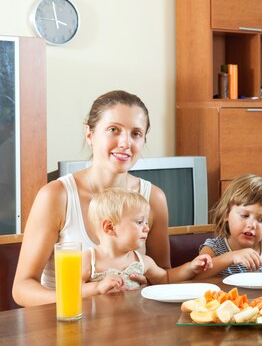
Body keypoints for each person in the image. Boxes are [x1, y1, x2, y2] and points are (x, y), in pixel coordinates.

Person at [13, 90, 170, 307]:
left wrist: (147, 286)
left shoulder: (154, 198)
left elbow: (164, 276)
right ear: (89, 134)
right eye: (113, 130)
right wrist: (83, 295)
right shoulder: (56, 196)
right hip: (62, 327)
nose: (125, 143)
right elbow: (22, 288)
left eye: (136, 133)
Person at [83, 189, 212, 296]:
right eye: (140, 222)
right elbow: (70, 291)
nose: (147, 228)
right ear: (109, 227)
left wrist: (191, 267)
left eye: (146, 222)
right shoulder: (89, 259)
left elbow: (166, 278)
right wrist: (98, 287)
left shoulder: (142, 261)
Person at [195, 174, 262, 277]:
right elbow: (197, 275)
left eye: (261, 220)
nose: (252, 225)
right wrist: (231, 257)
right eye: (244, 215)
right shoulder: (214, 248)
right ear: (226, 213)